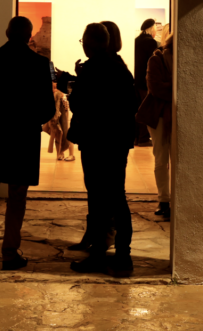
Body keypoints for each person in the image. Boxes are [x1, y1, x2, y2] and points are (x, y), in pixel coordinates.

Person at [0, 16, 56, 269]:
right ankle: (9, 253)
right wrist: (28, 121)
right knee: (17, 197)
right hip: (22, 139)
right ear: (29, 36)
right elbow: (47, 109)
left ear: (7, 33)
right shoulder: (39, 63)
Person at [68, 22, 141, 278]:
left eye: (83, 42)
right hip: (117, 142)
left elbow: (77, 104)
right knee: (117, 197)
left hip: (95, 141)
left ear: (90, 44)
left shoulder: (92, 69)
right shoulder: (120, 68)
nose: (83, 46)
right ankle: (123, 256)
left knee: (99, 199)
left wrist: (76, 84)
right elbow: (132, 105)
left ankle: (98, 256)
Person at [137, 31, 173, 220]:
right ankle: (164, 200)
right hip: (158, 115)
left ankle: (176, 198)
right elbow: (155, 87)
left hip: (179, 115)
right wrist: (175, 87)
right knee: (161, 158)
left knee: (179, 159)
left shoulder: (187, 61)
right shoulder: (156, 59)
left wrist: (170, 85)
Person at [132, 19, 158, 147]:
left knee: (137, 109)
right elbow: (152, 64)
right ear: (152, 28)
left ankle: (137, 138)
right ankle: (143, 138)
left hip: (137, 81)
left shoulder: (136, 40)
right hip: (146, 82)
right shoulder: (151, 42)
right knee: (145, 109)